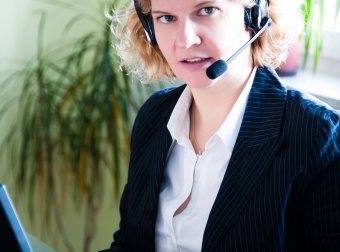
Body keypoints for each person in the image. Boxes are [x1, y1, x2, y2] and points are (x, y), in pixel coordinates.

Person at [104, 0, 340, 251]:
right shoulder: (154, 116)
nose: (185, 40)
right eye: (166, 18)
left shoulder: (320, 138)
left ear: (256, 16)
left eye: (207, 11)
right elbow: (129, 244)